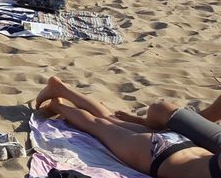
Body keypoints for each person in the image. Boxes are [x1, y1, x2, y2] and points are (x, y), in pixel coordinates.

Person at [35, 76, 220, 178]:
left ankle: (61, 89)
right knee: (96, 125)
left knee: (110, 119)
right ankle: (57, 105)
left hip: (185, 143)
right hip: (155, 155)